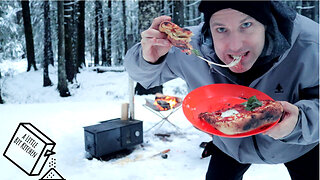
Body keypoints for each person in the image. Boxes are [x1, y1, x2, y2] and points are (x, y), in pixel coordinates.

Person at [124, 1, 319, 179]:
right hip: (230, 146)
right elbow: (143, 76)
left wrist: (300, 123)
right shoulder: (191, 47)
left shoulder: (311, 44)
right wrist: (148, 58)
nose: (235, 46)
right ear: (208, 28)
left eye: (246, 25)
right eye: (221, 29)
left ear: (266, 23)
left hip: (300, 145)